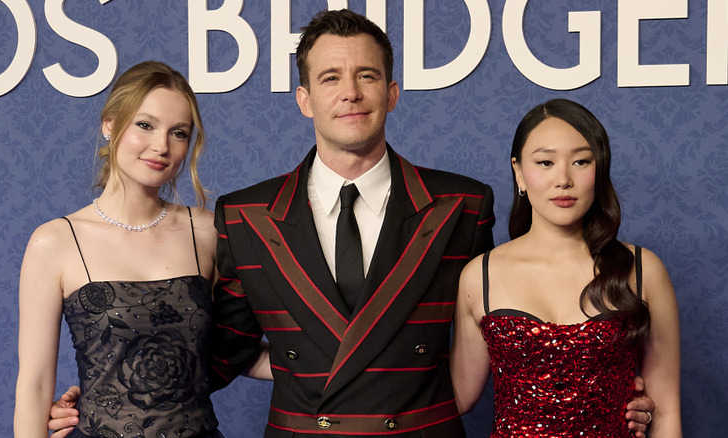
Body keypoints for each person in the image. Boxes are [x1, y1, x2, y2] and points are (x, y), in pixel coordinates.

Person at [49, 10, 655, 438]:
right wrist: (112, 398)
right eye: (330, 78)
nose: (351, 93)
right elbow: (223, 350)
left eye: (367, 76)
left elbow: (509, 330)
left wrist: (604, 397)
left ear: (392, 92)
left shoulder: (462, 205)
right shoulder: (247, 215)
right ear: (303, 99)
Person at [14, 61, 225, 437]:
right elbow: (34, 385)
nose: (161, 146)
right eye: (145, 125)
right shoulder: (56, 241)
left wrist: (338, 364)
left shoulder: (207, 231)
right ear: (109, 124)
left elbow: (240, 351)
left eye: (178, 133)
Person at [450, 99, 681, 437]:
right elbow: (458, 396)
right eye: (545, 162)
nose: (563, 179)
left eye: (581, 161)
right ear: (519, 173)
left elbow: (666, 411)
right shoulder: (479, 276)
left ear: (599, 170)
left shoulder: (643, 269)